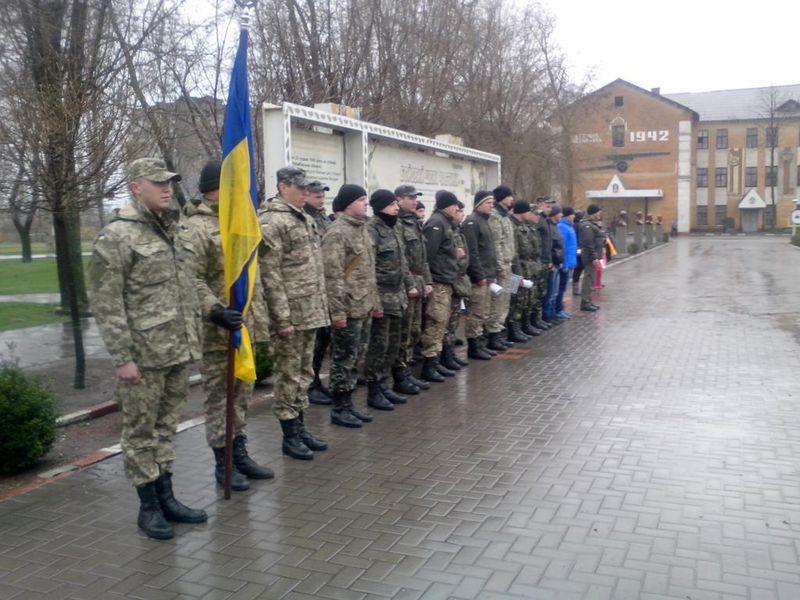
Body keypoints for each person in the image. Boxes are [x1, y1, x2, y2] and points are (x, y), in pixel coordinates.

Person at [88, 158, 207, 540]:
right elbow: (107, 303)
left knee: (166, 427)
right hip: (143, 356)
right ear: (136, 186)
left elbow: (186, 289)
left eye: (169, 182)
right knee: (140, 431)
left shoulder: (176, 230)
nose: (167, 188)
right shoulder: (118, 236)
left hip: (176, 350)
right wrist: (122, 358)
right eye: (158, 183)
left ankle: (167, 496)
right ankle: (149, 507)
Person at [188, 160, 273, 493]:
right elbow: (190, 278)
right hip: (217, 330)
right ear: (216, 188)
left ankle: (240, 454)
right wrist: (215, 310)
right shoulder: (196, 228)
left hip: (244, 326)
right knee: (220, 399)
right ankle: (221, 465)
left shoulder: (238, 223)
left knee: (240, 396)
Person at [258, 166, 330, 460]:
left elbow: (312, 269)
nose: (305, 193)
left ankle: (300, 427)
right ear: (283, 187)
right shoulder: (272, 221)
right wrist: (282, 319)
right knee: (288, 376)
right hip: (290, 316)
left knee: (303, 374)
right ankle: (289, 435)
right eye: (300, 188)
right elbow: (270, 274)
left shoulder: (304, 219)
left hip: (310, 311)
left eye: (307, 189)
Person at [322, 184, 381, 428]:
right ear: (348, 204)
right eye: (361, 200)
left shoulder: (362, 230)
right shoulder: (337, 233)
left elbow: (369, 273)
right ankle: (339, 407)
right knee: (343, 359)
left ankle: (349, 405)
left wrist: (375, 303)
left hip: (364, 305)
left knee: (356, 357)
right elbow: (332, 276)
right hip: (347, 308)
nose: (366, 204)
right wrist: (337, 312)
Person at [365, 189, 417, 410]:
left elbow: (402, 262)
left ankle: (384, 384)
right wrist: (375, 302)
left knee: (393, 344)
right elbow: (368, 270)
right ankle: (374, 389)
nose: (396, 207)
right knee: (379, 345)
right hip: (381, 297)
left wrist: (409, 286)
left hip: (397, 296)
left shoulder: (393, 228)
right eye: (391, 204)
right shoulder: (372, 230)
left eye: (397, 203)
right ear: (380, 207)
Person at [393, 185, 432, 394]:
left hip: (419, 283)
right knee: (404, 333)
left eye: (415, 197)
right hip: (408, 286)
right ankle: (400, 376)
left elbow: (422, 258)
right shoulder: (397, 223)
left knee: (415, 330)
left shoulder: (414, 223)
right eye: (410, 198)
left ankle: (407, 372)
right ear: (398, 199)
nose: (414, 201)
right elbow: (402, 260)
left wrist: (428, 282)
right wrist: (410, 285)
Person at [420, 190, 461, 382]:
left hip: (446, 280)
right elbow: (427, 255)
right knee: (435, 324)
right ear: (447, 206)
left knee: (442, 324)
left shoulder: (445, 223)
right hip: (438, 282)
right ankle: (429, 365)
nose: (457, 209)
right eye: (455, 206)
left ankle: (437, 362)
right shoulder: (437, 223)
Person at [303, 180, 335, 406]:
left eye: (323, 195)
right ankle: (308, 385)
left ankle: (315, 381)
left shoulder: (324, 218)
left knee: (323, 340)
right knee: (312, 344)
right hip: (311, 289)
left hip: (326, 287)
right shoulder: (304, 219)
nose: (321, 199)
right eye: (317, 196)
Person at [461, 190, 496, 360]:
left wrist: (492, 273)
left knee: (484, 312)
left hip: (488, 275)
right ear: (479, 204)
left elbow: (488, 250)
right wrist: (479, 275)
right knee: (476, 312)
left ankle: (480, 342)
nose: (492, 206)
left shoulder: (484, 221)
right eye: (489, 203)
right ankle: (473, 347)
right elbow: (472, 252)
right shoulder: (472, 222)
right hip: (478, 279)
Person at [486, 185, 518, 350]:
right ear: (502, 197)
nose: (512, 198)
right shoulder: (495, 217)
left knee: (505, 301)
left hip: (508, 263)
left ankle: (499, 332)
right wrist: (500, 267)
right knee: (497, 302)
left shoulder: (505, 216)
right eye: (509, 196)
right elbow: (496, 244)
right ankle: (493, 335)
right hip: (502, 266)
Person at [507, 201, 542, 340]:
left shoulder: (523, 227)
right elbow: (514, 251)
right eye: (528, 211)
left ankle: (523, 326)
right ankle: (513, 330)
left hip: (526, 268)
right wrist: (518, 272)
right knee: (515, 299)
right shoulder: (512, 226)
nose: (530, 214)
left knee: (525, 299)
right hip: (516, 269)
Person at [443, 200, 470, 370]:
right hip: (449, 279)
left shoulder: (457, 231)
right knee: (445, 323)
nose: (461, 214)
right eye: (458, 211)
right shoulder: (442, 229)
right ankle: (443, 357)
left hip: (458, 279)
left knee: (453, 322)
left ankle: (450, 353)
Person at [532, 198, 553, 331]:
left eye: (550, 207)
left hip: (545, 260)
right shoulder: (537, 220)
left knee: (542, 292)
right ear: (539, 206)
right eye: (547, 206)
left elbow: (547, 242)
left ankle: (537, 319)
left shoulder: (545, 220)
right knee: (537, 292)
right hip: (538, 261)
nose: (549, 209)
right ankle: (535, 320)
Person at [579, 203, 604, 311]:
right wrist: (594, 258)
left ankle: (588, 300)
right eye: (598, 212)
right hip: (590, 258)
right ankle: (585, 302)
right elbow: (588, 243)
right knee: (588, 279)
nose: (599, 214)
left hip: (593, 257)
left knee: (591, 279)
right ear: (593, 213)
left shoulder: (591, 224)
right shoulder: (586, 226)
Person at [542, 204, 565, 323]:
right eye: (559, 213)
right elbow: (549, 246)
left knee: (554, 292)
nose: (561, 215)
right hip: (552, 264)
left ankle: (551, 314)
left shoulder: (555, 226)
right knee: (550, 292)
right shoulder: (549, 226)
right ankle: (548, 316)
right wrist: (551, 261)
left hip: (556, 263)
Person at [555, 206, 578, 320]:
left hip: (570, 262)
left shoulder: (569, 227)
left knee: (563, 287)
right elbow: (562, 247)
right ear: (568, 215)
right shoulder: (562, 227)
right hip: (565, 263)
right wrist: (564, 263)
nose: (574, 216)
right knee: (560, 287)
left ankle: (560, 309)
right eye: (572, 214)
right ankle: (558, 310)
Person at [571, 210, 584, 295]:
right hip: (579, 249)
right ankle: (576, 288)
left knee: (578, 268)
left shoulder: (573, 226)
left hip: (577, 248)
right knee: (579, 268)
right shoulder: (579, 226)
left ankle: (576, 287)